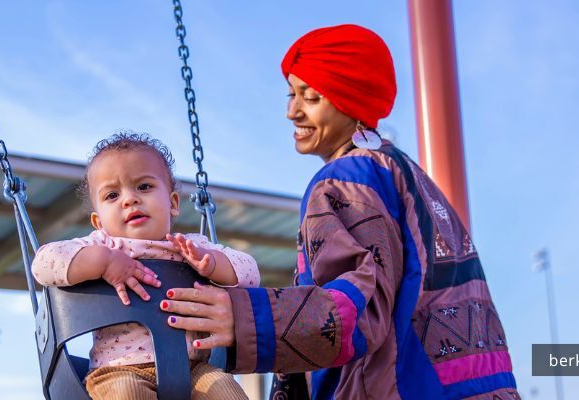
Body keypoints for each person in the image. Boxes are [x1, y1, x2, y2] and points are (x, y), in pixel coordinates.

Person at [160, 25, 520, 399]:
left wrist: (243, 318)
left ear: (351, 100)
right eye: (291, 94)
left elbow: (357, 304)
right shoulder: (409, 175)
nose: (291, 111)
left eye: (310, 97)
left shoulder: (344, 180)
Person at [31, 131, 258, 400]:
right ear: (98, 221)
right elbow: (43, 263)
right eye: (112, 195)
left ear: (173, 203)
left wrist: (212, 264)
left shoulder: (189, 246)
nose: (129, 199)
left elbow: (250, 272)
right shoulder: (102, 245)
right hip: (118, 370)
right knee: (127, 395)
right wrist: (102, 261)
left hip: (194, 369)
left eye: (144, 187)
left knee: (226, 390)